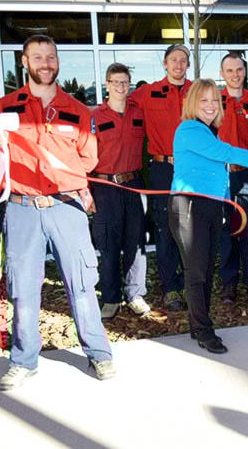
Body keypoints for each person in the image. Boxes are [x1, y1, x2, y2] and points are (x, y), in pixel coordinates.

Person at [0, 34, 114, 390]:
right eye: (37, 57)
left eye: (51, 56)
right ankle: (23, 361)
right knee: (23, 289)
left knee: (82, 283)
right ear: (24, 62)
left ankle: (99, 353)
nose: (46, 63)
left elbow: (89, 160)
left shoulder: (78, 110)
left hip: (67, 208)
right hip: (22, 209)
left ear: (57, 61)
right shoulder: (3, 108)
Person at [169, 79, 248, 354]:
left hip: (210, 207)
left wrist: (225, 205)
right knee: (196, 272)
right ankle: (203, 331)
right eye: (204, 100)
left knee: (204, 270)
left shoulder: (208, 131)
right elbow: (225, 153)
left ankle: (198, 324)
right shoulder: (189, 129)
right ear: (192, 103)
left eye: (215, 100)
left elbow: (217, 170)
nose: (211, 105)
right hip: (189, 208)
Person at [131, 44, 192, 311]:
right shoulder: (147, 93)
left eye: (183, 60)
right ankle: (170, 287)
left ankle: (192, 283)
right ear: (165, 63)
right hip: (163, 169)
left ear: (188, 65)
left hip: (193, 170)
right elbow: (120, 108)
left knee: (192, 227)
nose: (178, 64)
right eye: (173, 60)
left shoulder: (197, 91)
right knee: (166, 227)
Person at [91, 63, 150, 319]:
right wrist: (87, 192)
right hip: (105, 188)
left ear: (130, 85)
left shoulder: (139, 114)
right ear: (107, 85)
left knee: (136, 242)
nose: (120, 86)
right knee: (109, 244)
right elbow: (85, 155)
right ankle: (111, 298)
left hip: (134, 185)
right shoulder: (95, 117)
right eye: (115, 82)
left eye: (125, 82)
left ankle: (135, 294)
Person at [218, 52, 248, 303]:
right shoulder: (214, 101)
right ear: (222, 74)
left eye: (239, 70)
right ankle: (229, 283)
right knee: (227, 229)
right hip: (222, 174)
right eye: (230, 70)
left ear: (245, 72)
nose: (235, 75)